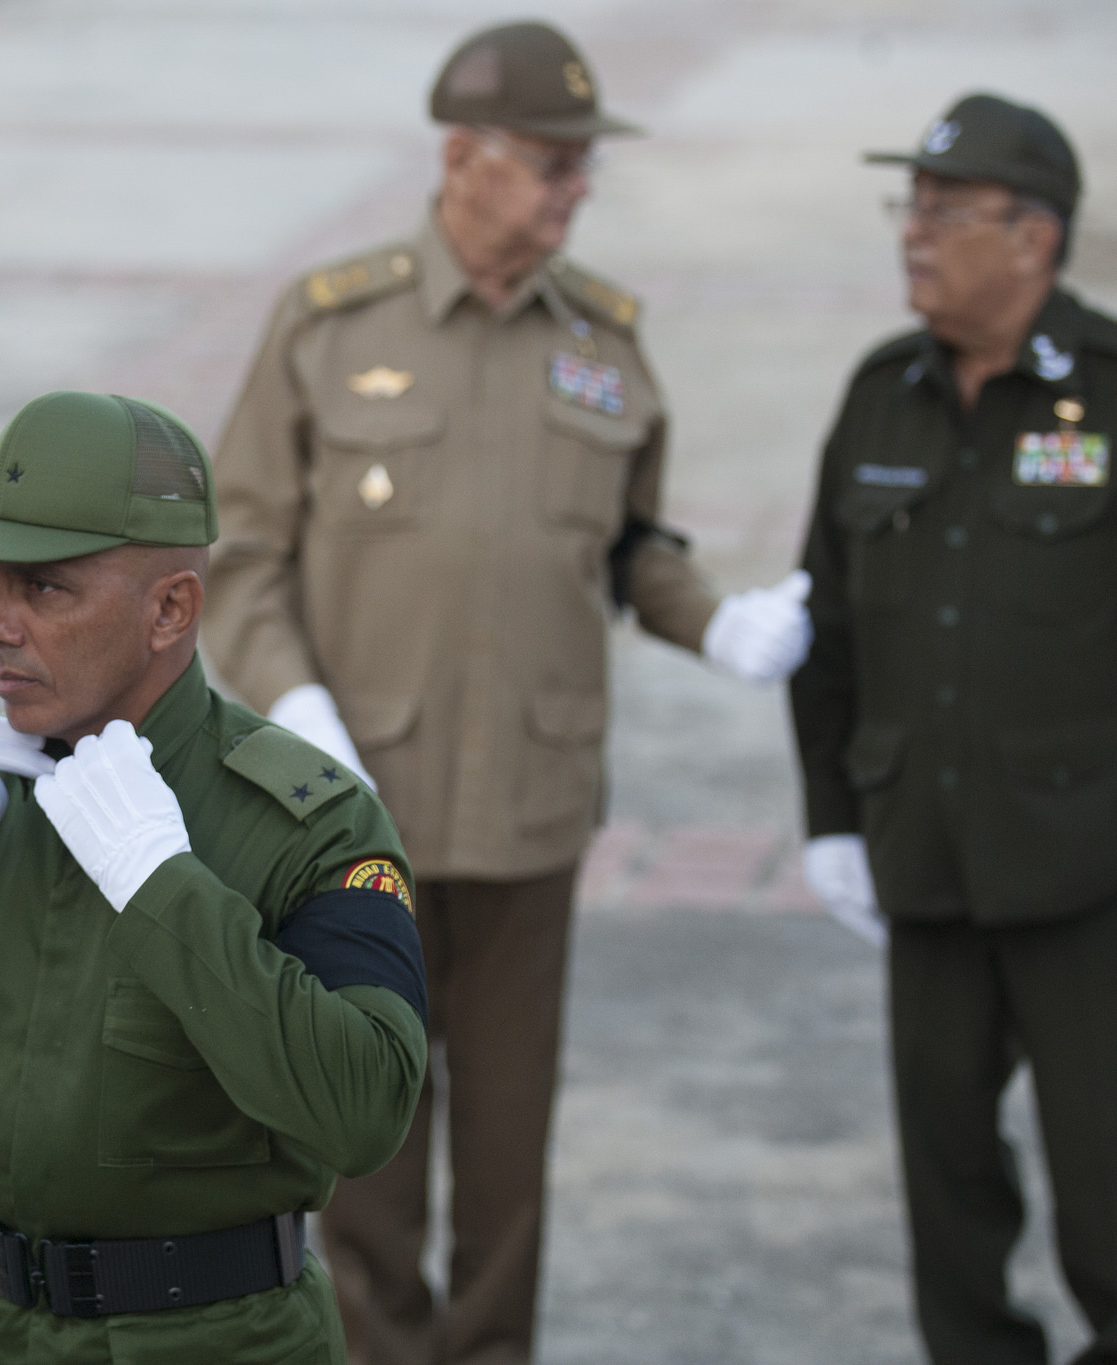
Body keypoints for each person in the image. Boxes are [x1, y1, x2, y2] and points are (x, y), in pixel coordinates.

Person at [200, 21, 815, 1365]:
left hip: (529, 817)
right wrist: (296, 713)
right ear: (461, 158)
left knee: (507, 1157)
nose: (573, 189)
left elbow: (635, 548)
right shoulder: (327, 326)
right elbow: (241, 558)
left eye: (581, 168)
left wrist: (718, 625)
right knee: (363, 1141)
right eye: (549, 164)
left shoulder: (603, 341)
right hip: (354, 827)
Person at [0, 390, 430, 1363]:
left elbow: (365, 1113)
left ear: (169, 609)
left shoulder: (307, 824)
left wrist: (160, 884)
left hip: (213, 1341)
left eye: (44, 589)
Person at [791, 93, 1117, 1365]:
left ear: (1031, 238)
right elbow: (827, 632)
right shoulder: (883, 395)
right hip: (919, 860)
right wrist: (831, 821)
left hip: (1087, 874)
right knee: (946, 1185)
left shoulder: (1106, 393)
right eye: (906, 211)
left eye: (941, 215)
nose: (912, 238)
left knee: (1107, 1187)